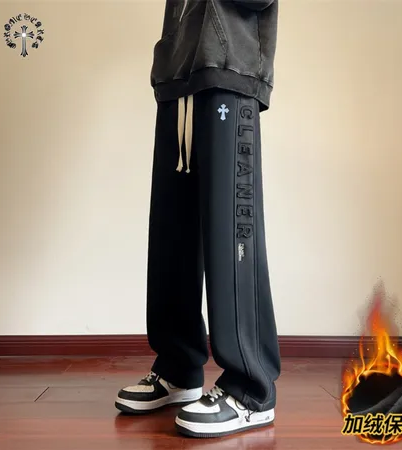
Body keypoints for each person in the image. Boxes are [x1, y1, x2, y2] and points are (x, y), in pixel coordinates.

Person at [115, 0, 280, 438]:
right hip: (179, 76)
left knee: (231, 233)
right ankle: (179, 367)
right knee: (172, 230)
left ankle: (251, 389)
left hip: (229, 70)